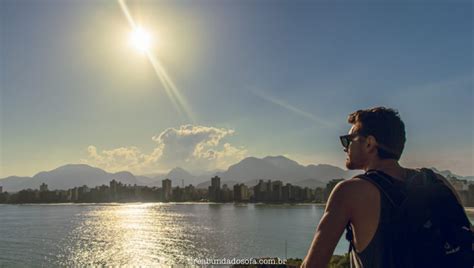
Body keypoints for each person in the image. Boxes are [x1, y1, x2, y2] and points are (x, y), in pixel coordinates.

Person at [301, 107, 471, 268]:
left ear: (369, 143)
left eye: (348, 140)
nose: (344, 147)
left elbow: (313, 265)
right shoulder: (436, 180)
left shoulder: (350, 191)